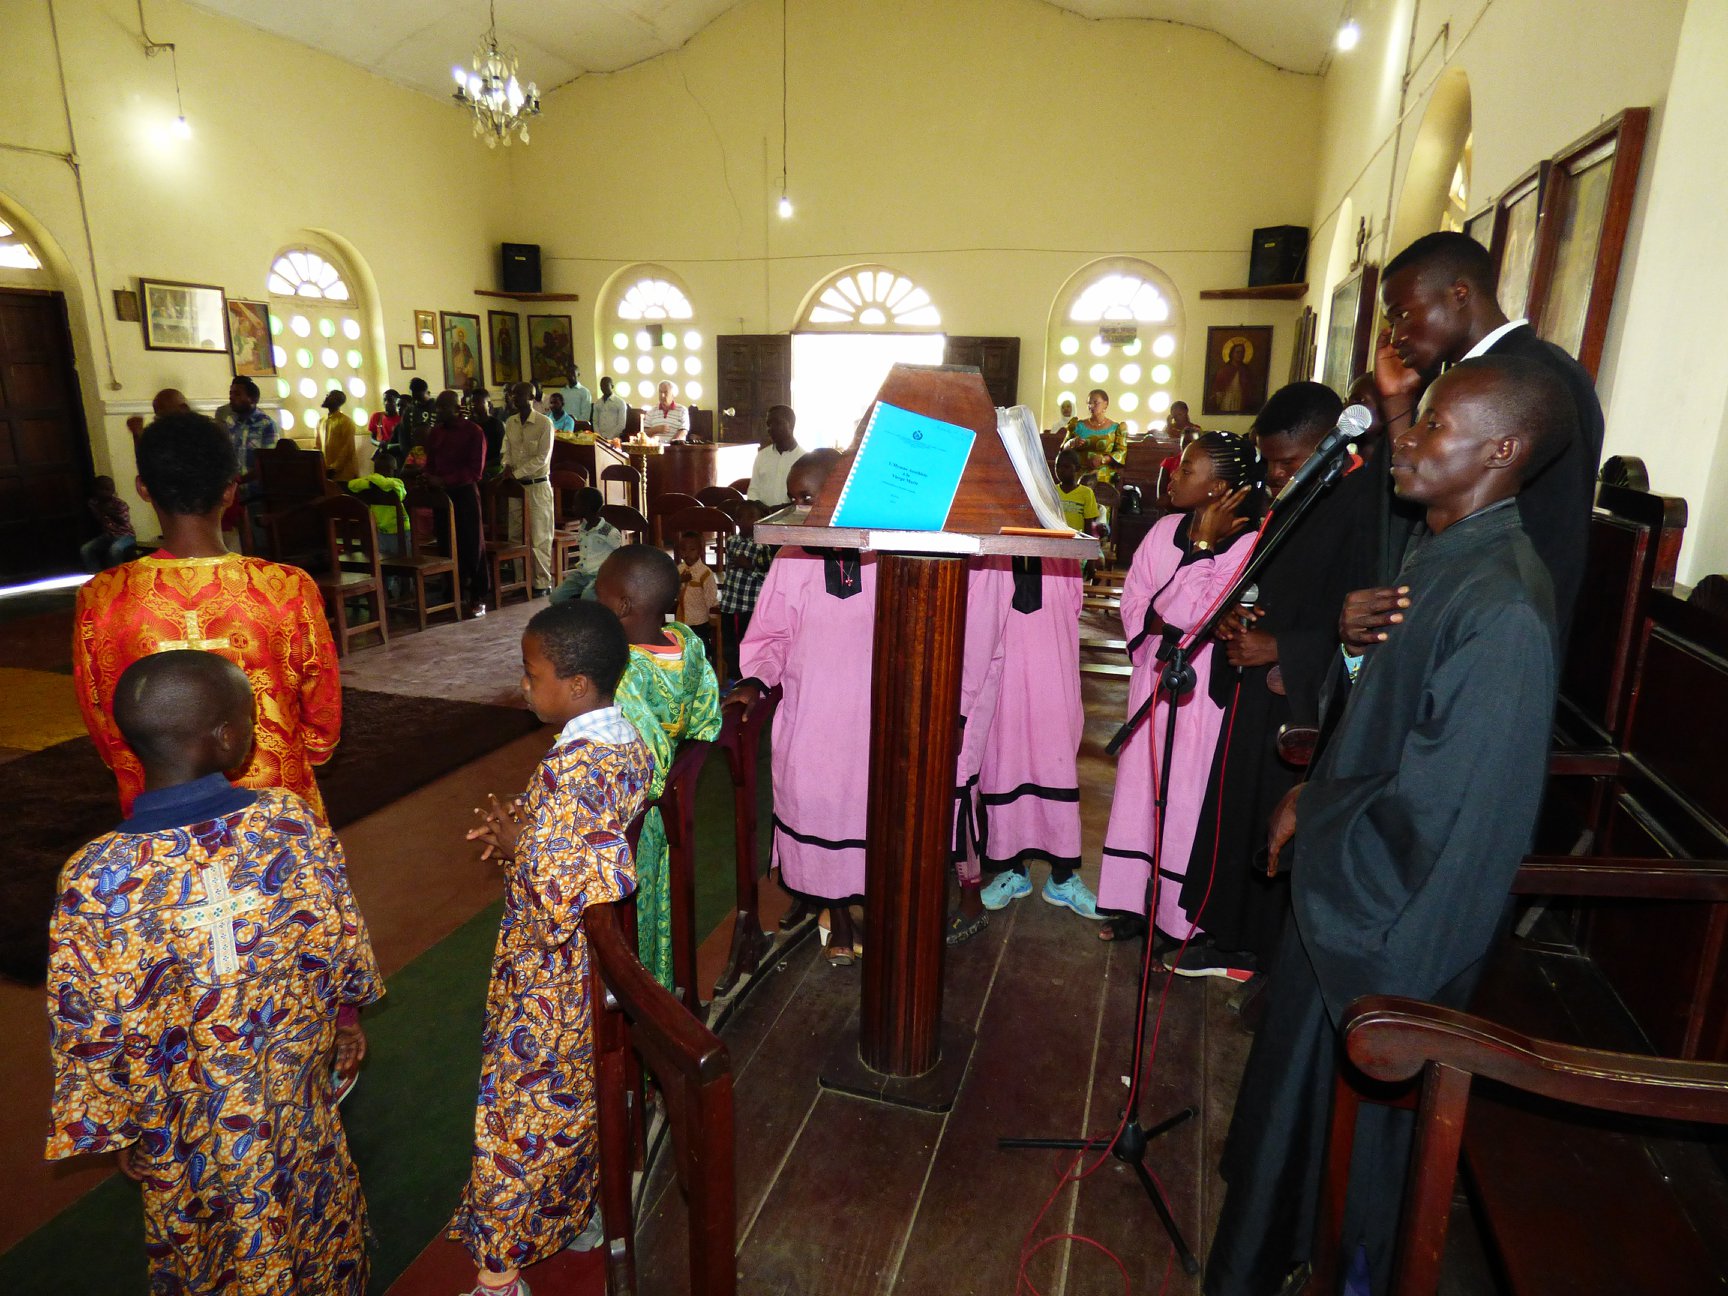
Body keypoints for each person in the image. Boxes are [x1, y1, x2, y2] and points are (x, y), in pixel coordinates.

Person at [1204, 355, 1573, 1296]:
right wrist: (1350, 646)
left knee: (1338, 1158)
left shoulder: (1503, 607)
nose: (1403, 440)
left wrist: (1320, 809)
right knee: (1285, 1135)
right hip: (1350, 867)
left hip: (1385, 929)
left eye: (1432, 424)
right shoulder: (1443, 552)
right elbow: (1392, 716)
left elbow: (1448, 817)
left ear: (1502, 450)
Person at [46, 650, 381, 1295]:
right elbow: (338, 939)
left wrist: (122, 1121)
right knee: (311, 1206)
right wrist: (344, 1017)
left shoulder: (94, 877)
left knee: (210, 1242)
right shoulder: (287, 823)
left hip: (181, 1119)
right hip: (291, 1091)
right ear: (228, 736)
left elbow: (86, 1022)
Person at [450, 601, 653, 1292]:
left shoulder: (576, 769)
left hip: (550, 980)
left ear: (576, 684)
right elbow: (583, 835)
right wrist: (528, 824)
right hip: (584, 972)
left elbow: (584, 883)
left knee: (518, 1115)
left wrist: (523, 847)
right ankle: (575, 1212)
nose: (523, 683)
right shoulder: (622, 739)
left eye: (531, 673)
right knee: (571, 1103)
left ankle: (498, 1275)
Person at [73, 411, 341, 818]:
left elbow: (99, 713)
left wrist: (127, 765)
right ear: (230, 491)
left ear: (143, 489)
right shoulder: (285, 587)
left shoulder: (102, 596)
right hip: (273, 804)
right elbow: (322, 710)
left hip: (162, 809)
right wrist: (313, 751)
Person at [1176, 383, 1354, 978]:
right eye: (1269, 462)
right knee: (1241, 810)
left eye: (1288, 462)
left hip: (1301, 700)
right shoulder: (1295, 498)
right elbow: (1266, 582)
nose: (1275, 475)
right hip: (1255, 684)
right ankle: (1231, 936)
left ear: (1332, 444)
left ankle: (1263, 951)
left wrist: (1285, 648)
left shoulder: (1362, 508)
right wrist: (1234, 612)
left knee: (1277, 819)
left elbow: (1371, 619)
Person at [1373, 229, 1605, 638]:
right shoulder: (1466, 379)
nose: (1396, 337)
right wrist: (1396, 401)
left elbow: (1549, 527)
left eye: (1402, 315)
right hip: (1457, 600)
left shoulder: (1532, 378)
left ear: (1459, 293)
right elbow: (1417, 492)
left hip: (1495, 620)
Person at [1095, 432, 1260, 947]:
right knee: (1141, 790)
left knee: (1185, 795)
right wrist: (1168, 619)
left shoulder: (1250, 543)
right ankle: (1134, 903)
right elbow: (1135, 603)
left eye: (1188, 470)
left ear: (1218, 488)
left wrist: (1204, 550)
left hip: (1199, 692)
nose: (1174, 476)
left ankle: (1175, 918)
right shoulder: (1165, 528)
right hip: (1153, 675)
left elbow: (1199, 613)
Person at [594, 545, 722, 990]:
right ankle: (655, 986)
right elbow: (708, 719)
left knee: (632, 912)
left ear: (622, 606)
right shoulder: (686, 642)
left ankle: (632, 992)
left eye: (599, 596)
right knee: (656, 901)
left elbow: (641, 758)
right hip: (672, 801)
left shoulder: (626, 671)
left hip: (638, 814)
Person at [973, 552, 1092, 919]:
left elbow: (1073, 605)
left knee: (1056, 769)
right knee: (1005, 768)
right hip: (1002, 680)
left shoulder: (1063, 550)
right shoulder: (989, 549)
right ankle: (1013, 871)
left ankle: (1062, 879)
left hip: (1053, 675)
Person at [424, 389, 491, 616]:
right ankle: (452, 594)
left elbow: (475, 471)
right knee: (445, 543)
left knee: (471, 544)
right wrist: (428, 476)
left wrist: (444, 480)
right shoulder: (436, 432)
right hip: (442, 497)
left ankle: (477, 596)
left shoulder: (474, 432)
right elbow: (431, 461)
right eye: (437, 406)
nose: (438, 411)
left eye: (443, 407)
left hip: (464, 494)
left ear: (456, 408)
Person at [501, 381, 555, 596]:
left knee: (539, 537)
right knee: (515, 535)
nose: (514, 398)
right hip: (515, 488)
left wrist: (516, 473)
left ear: (531, 397)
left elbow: (542, 458)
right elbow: (506, 449)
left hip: (537, 486)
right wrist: (506, 465)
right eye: (513, 394)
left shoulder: (544, 423)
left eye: (519, 394)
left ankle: (541, 583)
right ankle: (520, 581)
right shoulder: (511, 422)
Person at [716, 499, 774, 683]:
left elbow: (768, 576)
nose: (745, 520)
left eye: (751, 516)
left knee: (747, 641)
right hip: (730, 603)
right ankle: (733, 676)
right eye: (740, 516)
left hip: (750, 605)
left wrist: (750, 567)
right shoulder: (731, 541)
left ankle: (747, 676)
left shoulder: (764, 546)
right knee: (729, 642)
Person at [548, 486, 623, 605]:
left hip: (600, 575)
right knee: (555, 597)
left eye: (576, 504)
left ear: (587, 507)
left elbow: (620, 553)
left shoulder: (608, 531)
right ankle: (577, 608)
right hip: (582, 573)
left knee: (587, 597)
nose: (573, 507)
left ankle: (594, 608)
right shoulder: (583, 527)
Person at [213, 376, 277, 504]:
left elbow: (267, 463)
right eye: (230, 393)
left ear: (252, 399)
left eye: (237, 394)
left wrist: (240, 480)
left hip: (257, 495)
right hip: (234, 495)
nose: (231, 397)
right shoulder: (230, 422)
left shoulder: (265, 424)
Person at [344, 449, 409, 553]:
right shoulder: (385, 482)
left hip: (397, 530)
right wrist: (373, 480)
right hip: (382, 531)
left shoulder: (395, 483)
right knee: (397, 558)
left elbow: (399, 493)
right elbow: (351, 485)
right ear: (392, 470)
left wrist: (374, 479)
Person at [746, 404, 806, 506]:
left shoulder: (803, 459)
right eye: (769, 424)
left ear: (791, 425)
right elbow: (753, 490)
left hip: (790, 514)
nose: (770, 428)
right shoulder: (762, 456)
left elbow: (803, 498)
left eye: (777, 423)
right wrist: (760, 508)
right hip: (762, 514)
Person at [1062, 388, 1126, 481]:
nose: (1091, 406)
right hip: (1079, 476)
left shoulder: (1116, 428)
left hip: (1104, 477)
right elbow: (1063, 450)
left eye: (1095, 403)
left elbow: (1121, 452)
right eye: (1089, 403)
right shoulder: (1077, 426)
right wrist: (1072, 443)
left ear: (1106, 404)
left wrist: (1103, 459)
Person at [675, 530, 721, 659]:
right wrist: (679, 580)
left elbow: (711, 596)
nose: (687, 553)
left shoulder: (705, 573)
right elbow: (672, 591)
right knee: (683, 647)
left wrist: (713, 618)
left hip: (699, 619)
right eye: (683, 549)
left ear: (700, 551)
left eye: (692, 549)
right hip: (682, 618)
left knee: (701, 647)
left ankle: (704, 664)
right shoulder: (679, 569)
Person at [80, 475, 136, 571]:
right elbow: (97, 517)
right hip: (108, 535)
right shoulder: (93, 503)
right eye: (103, 489)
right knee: (86, 549)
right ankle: (96, 574)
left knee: (115, 550)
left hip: (126, 535)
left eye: (109, 489)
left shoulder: (120, 504)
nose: (107, 492)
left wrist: (107, 511)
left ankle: (115, 576)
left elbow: (123, 521)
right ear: (96, 490)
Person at [317, 389, 363, 481]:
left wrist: (334, 468)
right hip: (326, 473)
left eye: (329, 395)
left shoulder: (346, 421)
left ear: (337, 401)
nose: (326, 397)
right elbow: (318, 446)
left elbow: (348, 448)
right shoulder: (321, 421)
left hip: (344, 474)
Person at [1055, 449, 1101, 534]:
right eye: (1058, 466)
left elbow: (1088, 524)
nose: (1061, 470)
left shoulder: (1086, 493)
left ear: (1077, 469)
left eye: (1066, 467)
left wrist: (1086, 541)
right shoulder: (1052, 490)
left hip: (1076, 538)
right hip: (1055, 537)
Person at [471, 386, 508, 474]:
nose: (474, 405)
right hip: (473, 467)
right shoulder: (470, 424)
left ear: (489, 404)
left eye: (478, 402)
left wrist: (483, 465)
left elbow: (502, 453)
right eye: (472, 403)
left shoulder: (497, 424)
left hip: (492, 467)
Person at [592, 375, 629, 442]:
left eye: (606, 385)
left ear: (612, 386)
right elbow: (595, 422)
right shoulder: (597, 403)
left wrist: (609, 438)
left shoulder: (620, 402)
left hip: (614, 439)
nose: (603, 388)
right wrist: (599, 437)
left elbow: (621, 424)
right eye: (601, 386)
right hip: (599, 439)